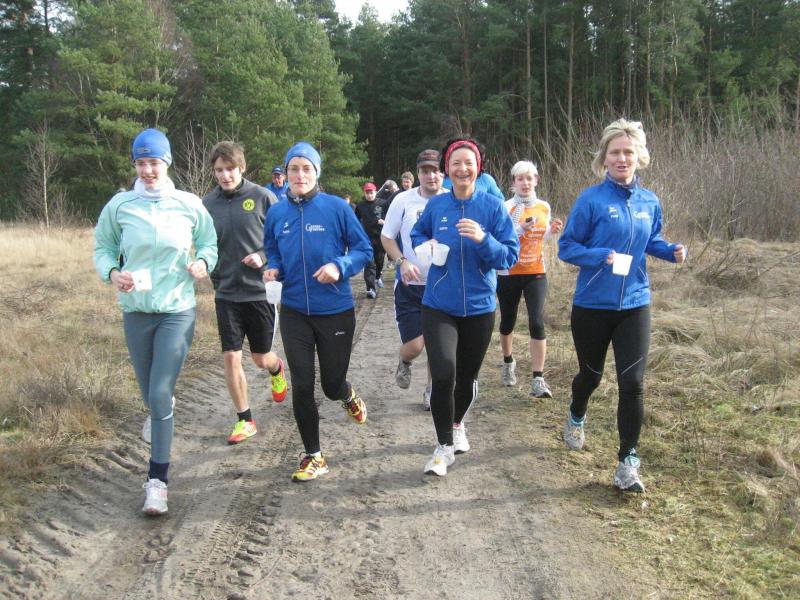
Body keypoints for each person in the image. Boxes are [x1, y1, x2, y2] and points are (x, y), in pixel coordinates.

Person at [558, 118, 687, 493]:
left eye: (628, 152)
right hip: (592, 305)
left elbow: (651, 240)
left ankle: (627, 463)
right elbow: (567, 247)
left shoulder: (650, 201)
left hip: (635, 302)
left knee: (633, 383)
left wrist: (671, 251)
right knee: (591, 377)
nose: (621, 158)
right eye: (615, 152)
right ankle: (576, 414)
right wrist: (600, 255)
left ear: (639, 156)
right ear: (604, 158)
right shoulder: (591, 200)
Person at [93, 128, 218, 515]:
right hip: (136, 310)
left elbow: (209, 243)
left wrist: (203, 263)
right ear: (135, 164)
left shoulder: (188, 203)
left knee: (160, 392)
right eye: (141, 163)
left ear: (167, 163)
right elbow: (103, 248)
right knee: (150, 394)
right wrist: (113, 273)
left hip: (177, 309)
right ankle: (160, 408)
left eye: (154, 163)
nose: (148, 170)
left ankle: (157, 482)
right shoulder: (120, 205)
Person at [263, 141, 372, 482]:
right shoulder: (277, 213)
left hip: (335, 310)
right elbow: (272, 249)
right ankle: (314, 456)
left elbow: (363, 249)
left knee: (330, 384)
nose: (300, 175)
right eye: (293, 168)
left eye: (306, 168)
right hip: (294, 310)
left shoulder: (336, 208)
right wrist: (272, 267)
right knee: (302, 384)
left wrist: (340, 266)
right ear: (286, 173)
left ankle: (346, 394)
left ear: (316, 172)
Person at [410, 137, 519, 476]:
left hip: (479, 306)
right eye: (455, 163)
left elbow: (509, 256)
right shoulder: (436, 206)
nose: (462, 169)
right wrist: (426, 243)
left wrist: (483, 239)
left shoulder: (493, 207)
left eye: (468, 163)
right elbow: (417, 234)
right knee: (443, 373)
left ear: (478, 168)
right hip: (438, 304)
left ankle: (457, 423)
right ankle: (443, 448)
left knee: (466, 377)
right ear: (447, 169)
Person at [202, 141, 288, 446]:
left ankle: (277, 368)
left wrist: (262, 257)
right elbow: (203, 243)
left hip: (259, 292)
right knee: (231, 357)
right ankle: (245, 419)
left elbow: (283, 237)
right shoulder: (207, 204)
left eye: (230, 169)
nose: (225, 175)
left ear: (242, 168)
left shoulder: (263, 197)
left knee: (260, 358)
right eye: (219, 170)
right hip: (226, 293)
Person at [381, 149, 447, 410]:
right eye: (425, 171)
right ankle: (404, 359)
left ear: (443, 173)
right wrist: (402, 261)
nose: (431, 176)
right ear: (418, 173)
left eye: (435, 170)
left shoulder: (451, 199)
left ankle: (431, 391)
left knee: (437, 345)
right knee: (416, 345)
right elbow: (387, 237)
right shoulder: (403, 200)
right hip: (410, 287)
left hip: (441, 284)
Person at [497, 161, 563, 397]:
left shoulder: (544, 206)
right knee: (508, 321)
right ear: (513, 182)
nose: (525, 183)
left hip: (536, 271)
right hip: (509, 272)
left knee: (537, 321)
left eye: (529, 178)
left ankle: (538, 379)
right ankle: (508, 361)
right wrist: (521, 229)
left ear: (536, 180)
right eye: (520, 179)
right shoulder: (505, 207)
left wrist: (551, 231)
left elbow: (540, 237)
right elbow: (501, 239)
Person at [355, 181, 387, 298]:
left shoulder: (383, 203)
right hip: (366, 238)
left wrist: (385, 221)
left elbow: (391, 217)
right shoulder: (360, 206)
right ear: (364, 193)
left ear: (375, 192)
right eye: (367, 193)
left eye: (371, 192)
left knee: (379, 261)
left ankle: (378, 276)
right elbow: (355, 220)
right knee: (369, 263)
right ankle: (370, 288)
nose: (369, 195)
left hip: (380, 237)